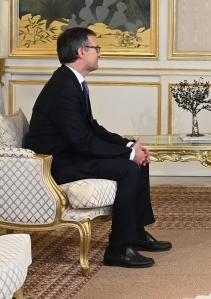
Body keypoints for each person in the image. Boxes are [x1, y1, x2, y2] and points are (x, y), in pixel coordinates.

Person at [24, 27, 171, 268]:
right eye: (96, 48)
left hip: (71, 155)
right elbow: (82, 141)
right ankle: (118, 250)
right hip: (56, 164)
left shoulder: (71, 82)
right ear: (81, 52)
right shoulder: (63, 88)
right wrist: (129, 154)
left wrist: (129, 145)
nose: (100, 53)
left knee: (138, 161)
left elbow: (92, 128)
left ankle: (135, 233)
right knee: (128, 168)